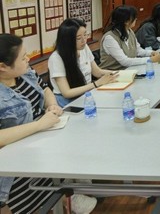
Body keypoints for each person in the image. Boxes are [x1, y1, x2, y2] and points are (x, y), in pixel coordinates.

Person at [0, 34, 98, 214]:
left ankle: (66, 198)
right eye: (23, 57)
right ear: (2, 67)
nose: (28, 59)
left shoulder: (25, 72)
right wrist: (39, 125)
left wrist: (51, 104)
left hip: (43, 140)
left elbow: (44, 88)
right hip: (15, 162)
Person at [48, 18, 119, 107]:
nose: (84, 40)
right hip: (67, 102)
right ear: (67, 40)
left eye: (85, 35)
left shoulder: (84, 48)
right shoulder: (56, 58)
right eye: (78, 38)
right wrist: (96, 83)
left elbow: (97, 72)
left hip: (86, 94)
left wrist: (118, 73)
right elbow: (67, 93)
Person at [99, 5, 160, 70]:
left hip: (129, 70)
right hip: (111, 73)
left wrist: (151, 53)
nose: (136, 19)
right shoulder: (109, 38)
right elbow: (124, 61)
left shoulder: (129, 31)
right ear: (126, 21)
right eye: (134, 17)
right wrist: (150, 59)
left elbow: (138, 50)